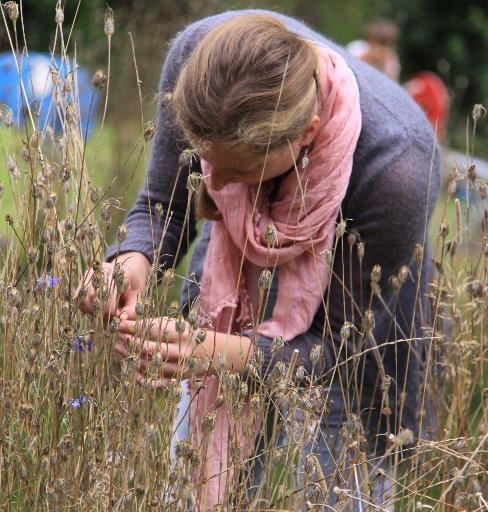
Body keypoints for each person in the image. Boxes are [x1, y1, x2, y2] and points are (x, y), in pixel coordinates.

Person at [78, 10, 441, 511]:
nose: (216, 187)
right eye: (208, 161)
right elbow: (164, 206)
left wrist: (207, 350)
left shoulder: (397, 169)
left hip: (351, 358)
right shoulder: (199, 65)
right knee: (197, 490)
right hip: (226, 295)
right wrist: (131, 260)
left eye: (239, 170)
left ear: (306, 134)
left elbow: (335, 351)